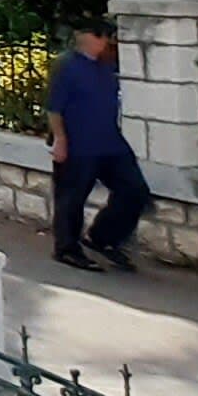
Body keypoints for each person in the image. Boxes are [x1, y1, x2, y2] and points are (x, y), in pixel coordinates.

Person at [46, 19, 152, 271]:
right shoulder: (66, 66)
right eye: (104, 37)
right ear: (91, 38)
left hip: (110, 143)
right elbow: (54, 108)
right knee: (71, 198)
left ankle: (102, 237)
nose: (108, 42)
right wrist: (60, 139)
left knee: (134, 190)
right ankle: (67, 249)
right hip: (78, 144)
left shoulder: (107, 64)